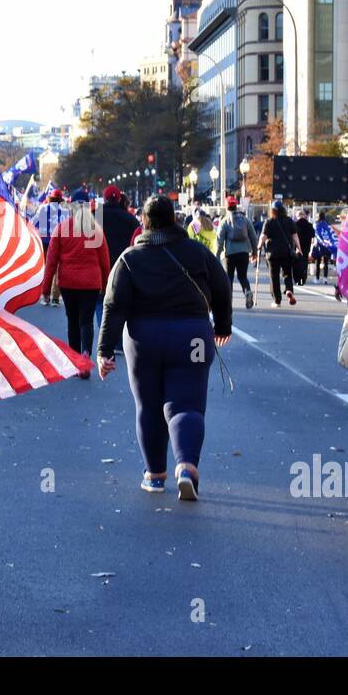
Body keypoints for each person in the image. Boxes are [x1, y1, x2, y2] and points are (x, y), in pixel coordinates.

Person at [98, 195, 232, 501]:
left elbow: (114, 305)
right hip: (193, 337)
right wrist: (222, 326)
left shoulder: (130, 259)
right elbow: (222, 286)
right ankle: (186, 466)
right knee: (187, 404)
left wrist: (104, 350)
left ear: (144, 222)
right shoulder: (197, 252)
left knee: (148, 406)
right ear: (174, 219)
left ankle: (155, 474)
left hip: (144, 339)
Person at [44, 187, 110, 371]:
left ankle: (75, 361)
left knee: (72, 320)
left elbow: (51, 262)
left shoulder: (62, 229)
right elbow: (105, 262)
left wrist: (46, 289)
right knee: (86, 321)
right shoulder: (96, 229)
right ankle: (86, 353)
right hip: (91, 282)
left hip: (68, 282)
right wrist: (106, 286)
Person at [95, 184, 140, 328]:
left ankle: (105, 332)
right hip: (123, 266)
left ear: (104, 198)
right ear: (119, 198)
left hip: (100, 266)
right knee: (120, 302)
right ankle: (118, 339)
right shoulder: (131, 219)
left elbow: (86, 243)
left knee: (101, 301)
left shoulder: (95, 216)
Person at [215, 196, 257, 310]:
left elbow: (219, 241)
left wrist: (217, 257)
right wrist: (254, 252)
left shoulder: (224, 221)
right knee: (243, 276)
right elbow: (253, 236)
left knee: (229, 278)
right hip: (244, 252)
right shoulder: (245, 220)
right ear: (236, 206)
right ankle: (247, 291)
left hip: (230, 254)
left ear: (227, 207)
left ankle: (229, 301)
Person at [259, 200, 301, 307]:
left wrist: (258, 247)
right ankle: (288, 289)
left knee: (274, 276)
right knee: (287, 273)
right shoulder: (289, 221)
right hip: (286, 252)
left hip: (273, 253)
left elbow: (263, 236)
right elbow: (295, 236)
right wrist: (299, 248)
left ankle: (277, 300)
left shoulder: (269, 221)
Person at [31, 188, 68, 306]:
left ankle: (45, 296)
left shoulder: (43, 208)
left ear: (50, 198)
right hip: (61, 243)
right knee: (58, 270)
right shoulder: (66, 211)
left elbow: (33, 223)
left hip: (46, 242)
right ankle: (56, 298)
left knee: (48, 270)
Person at [294, 209, 316, 285]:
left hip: (297, 247)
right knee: (305, 263)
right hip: (306, 247)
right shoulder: (309, 225)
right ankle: (303, 278)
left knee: (297, 263)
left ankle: (297, 279)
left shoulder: (295, 224)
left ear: (297, 216)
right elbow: (313, 235)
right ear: (304, 216)